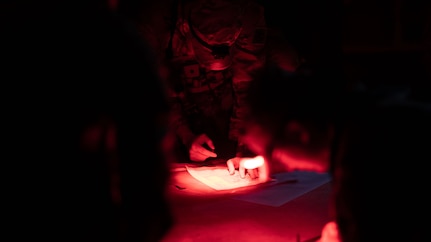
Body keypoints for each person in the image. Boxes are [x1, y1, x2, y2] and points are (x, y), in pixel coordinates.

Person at [2, 0, 173, 241]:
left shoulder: (15, 24)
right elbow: (146, 119)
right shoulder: (109, 32)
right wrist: (148, 210)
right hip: (82, 195)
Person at [234, 64, 431, 241]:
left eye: (272, 153)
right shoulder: (368, 114)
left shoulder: (362, 161)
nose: (282, 167)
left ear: (298, 133)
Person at [118, 0, 301, 164]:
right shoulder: (156, 21)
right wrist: (186, 135)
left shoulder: (248, 14)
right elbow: (153, 88)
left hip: (227, 102)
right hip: (185, 98)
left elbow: (248, 80)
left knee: (286, 61)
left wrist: (246, 140)